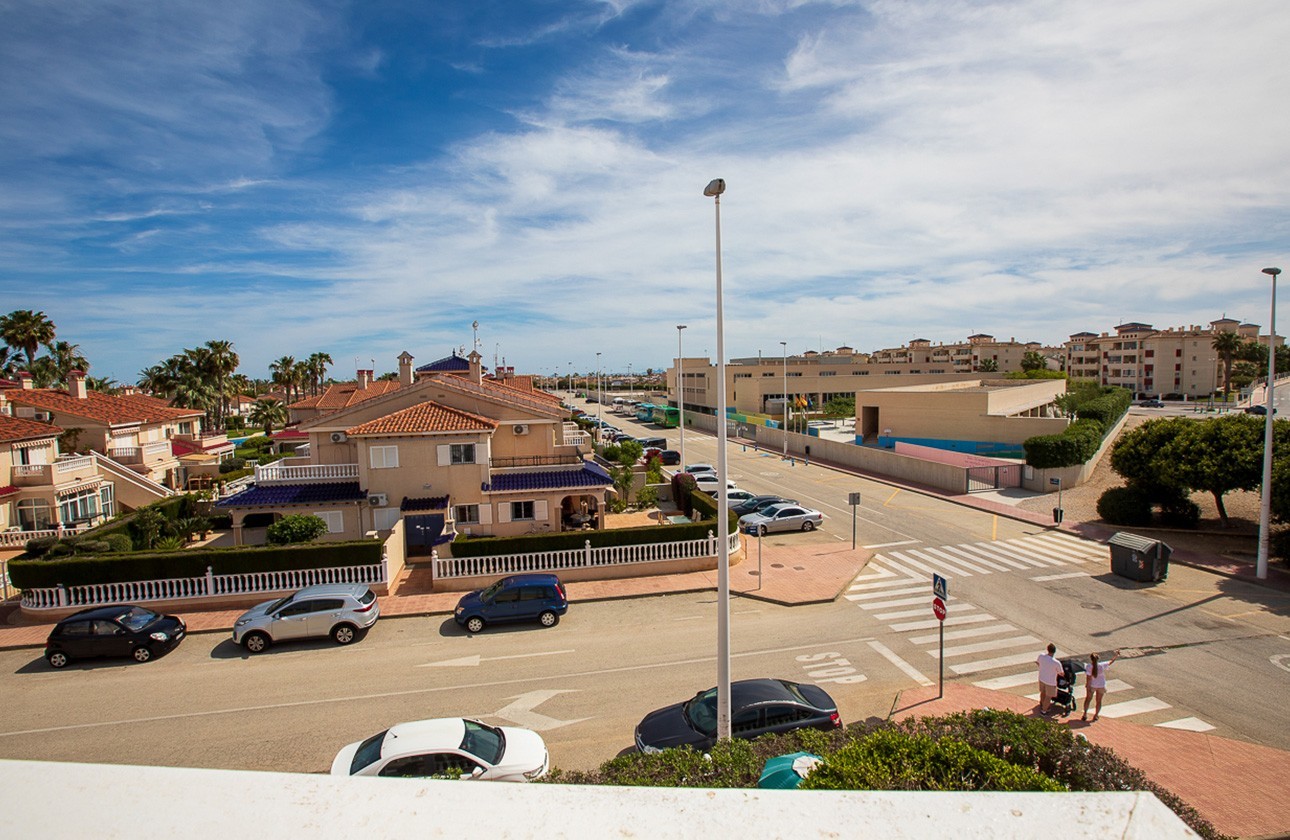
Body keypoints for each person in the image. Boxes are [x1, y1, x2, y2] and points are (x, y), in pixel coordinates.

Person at [1082, 650, 1120, 722]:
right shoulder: (1102, 665)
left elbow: (1089, 677)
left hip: (1092, 685)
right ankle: (1096, 715)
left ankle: (1085, 714)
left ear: (1091, 659)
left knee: (1088, 700)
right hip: (1101, 685)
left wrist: (1087, 685)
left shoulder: (1089, 666)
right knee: (1099, 701)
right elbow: (1110, 662)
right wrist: (1116, 656)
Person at [1036, 643, 1061, 714]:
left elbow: (1038, 663)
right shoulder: (1056, 662)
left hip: (1041, 678)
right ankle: (1044, 710)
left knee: (1043, 692)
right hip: (1051, 681)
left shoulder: (1041, 656)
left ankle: (1042, 704)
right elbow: (1060, 672)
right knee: (1048, 696)